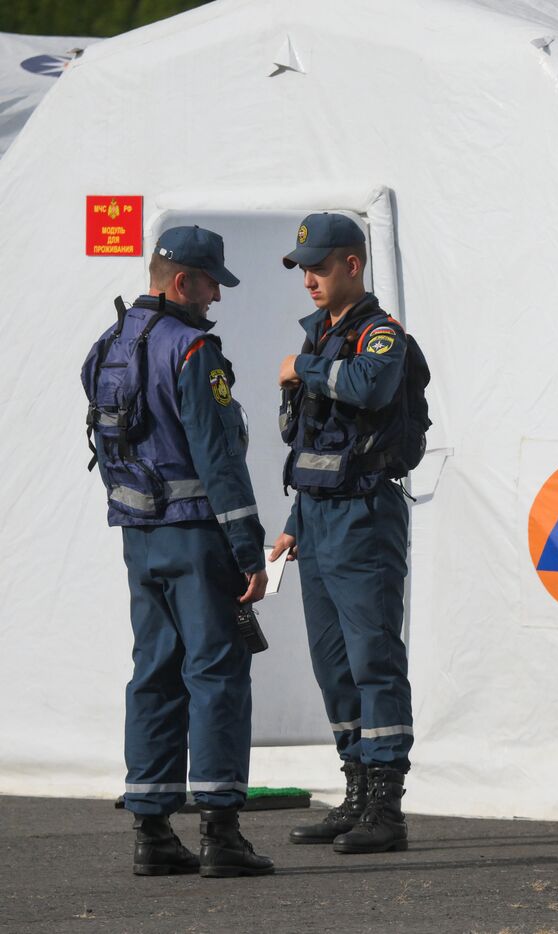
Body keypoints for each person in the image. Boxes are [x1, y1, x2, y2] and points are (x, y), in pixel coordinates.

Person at [80, 225, 274, 878]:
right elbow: (219, 458)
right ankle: (221, 832)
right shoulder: (193, 353)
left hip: (140, 539)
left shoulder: (108, 345)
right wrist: (249, 551)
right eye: (212, 281)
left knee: (154, 672)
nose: (217, 295)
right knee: (218, 674)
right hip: (197, 537)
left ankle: (153, 830)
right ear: (183, 281)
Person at [270, 212, 414, 854]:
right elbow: (311, 445)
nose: (309, 279)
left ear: (353, 265)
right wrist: (294, 524)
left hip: (364, 516)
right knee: (333, 667)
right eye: (303, 267)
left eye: (319, 266)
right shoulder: (321, 337)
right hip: (320, 520)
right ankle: (355, 793)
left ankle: (386, 807)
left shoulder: (379, 335)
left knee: (373, 659)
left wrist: (302, 368)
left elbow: (370, 387)